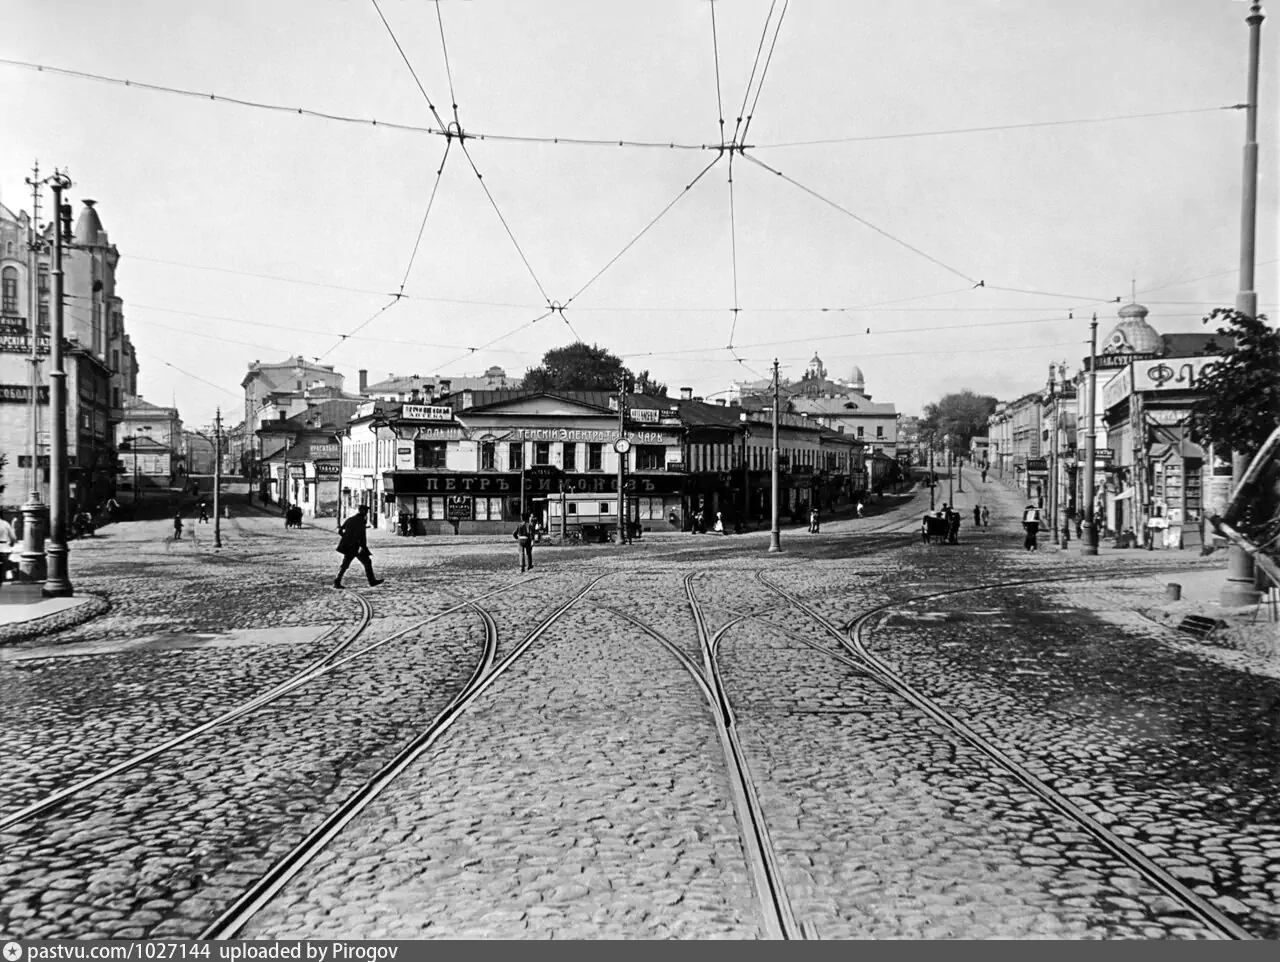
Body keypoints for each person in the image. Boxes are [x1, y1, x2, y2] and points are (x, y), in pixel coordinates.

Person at [334, 505, 383, 589]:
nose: (367, 513)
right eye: (366, 511)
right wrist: (362, 546)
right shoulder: (361, 521)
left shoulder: (350, 519)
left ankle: (337, 580)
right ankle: (372, 581)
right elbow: (360, 535)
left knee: (345, 564)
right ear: (362, 511)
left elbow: (340, 530)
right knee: (367, 562)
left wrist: (346, 538)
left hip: (349, 546)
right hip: (357, 547)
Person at [0, 514, 16, 582]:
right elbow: (13, 537)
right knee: (5, 563)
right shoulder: (5, 524)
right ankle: (7, 574)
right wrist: (12, 543)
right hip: (4, 548)